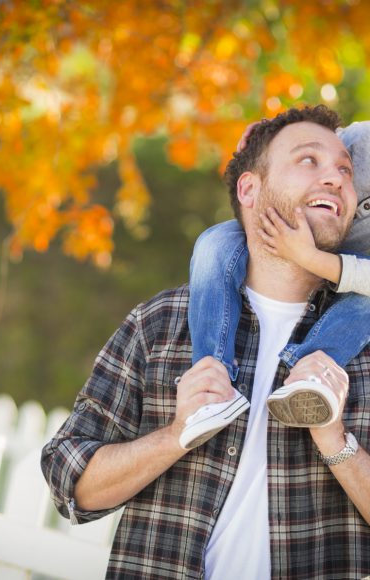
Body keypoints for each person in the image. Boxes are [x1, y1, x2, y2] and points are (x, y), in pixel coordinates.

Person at [41, 105, 370, 579]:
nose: (337, 178)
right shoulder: (160, 325)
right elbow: (70, 483)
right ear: (250, 189)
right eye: (308, 160)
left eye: (345, 169)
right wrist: (176, 435)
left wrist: (335, 441)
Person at [181, 121, 370, 449]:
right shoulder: (362, 138)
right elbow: (317, 146)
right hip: (305, 231)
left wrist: (310, 257)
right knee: (215, 242)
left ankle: (310, 375)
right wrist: (266, 136)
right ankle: (212, 379)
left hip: (357, 274)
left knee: (363, 305)